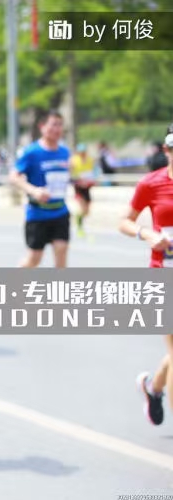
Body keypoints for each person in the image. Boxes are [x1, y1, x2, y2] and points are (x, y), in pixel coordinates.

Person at [118, 126, 173, 427]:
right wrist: (148, 234)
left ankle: (153, 388)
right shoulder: (151, 184)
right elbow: (124, 222)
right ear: (166, 150)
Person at [9, 110, 71, 268]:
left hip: (60, 210)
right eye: (53, 125)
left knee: (61, 249)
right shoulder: (32, 152)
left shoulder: (64, 152)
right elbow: (14, 176)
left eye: (60, 125)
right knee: (34, 258)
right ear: (42, 127)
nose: (57, 129)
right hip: (38, 213)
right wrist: (33, 191)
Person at [69, 143, 96, 238]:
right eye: (81, 152)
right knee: (82, 208)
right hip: (78, 187)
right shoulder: (73, 160)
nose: (82, 153)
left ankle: (77, 217)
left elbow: (93, 173)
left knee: (87, 211)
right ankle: (79, 227)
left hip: (87, 188)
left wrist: (92, 181)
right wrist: (78, 181)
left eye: (84, 152)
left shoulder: (90, 160)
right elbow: (70, 175)